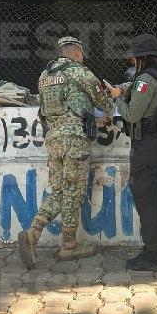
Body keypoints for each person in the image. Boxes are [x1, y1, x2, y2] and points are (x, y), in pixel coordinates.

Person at [17, 36, 114, 269]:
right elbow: (106, 103)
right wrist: (107, 106)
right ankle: (69, 246)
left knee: (59, 191)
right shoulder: (80, 72)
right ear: (77, 53)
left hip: (53, 141)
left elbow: (43, 111)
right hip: (75, 141)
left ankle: (34, 232)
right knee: (73, 191)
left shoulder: (44, 76)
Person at [106, 34, 157, 272]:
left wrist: (117, 98)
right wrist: (127, 89)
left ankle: (150, 256)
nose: (131, 61)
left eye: (134, 57)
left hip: (146, 147)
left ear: (141, 58)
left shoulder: (146, 79)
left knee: (145, 199)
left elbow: (132, 115)